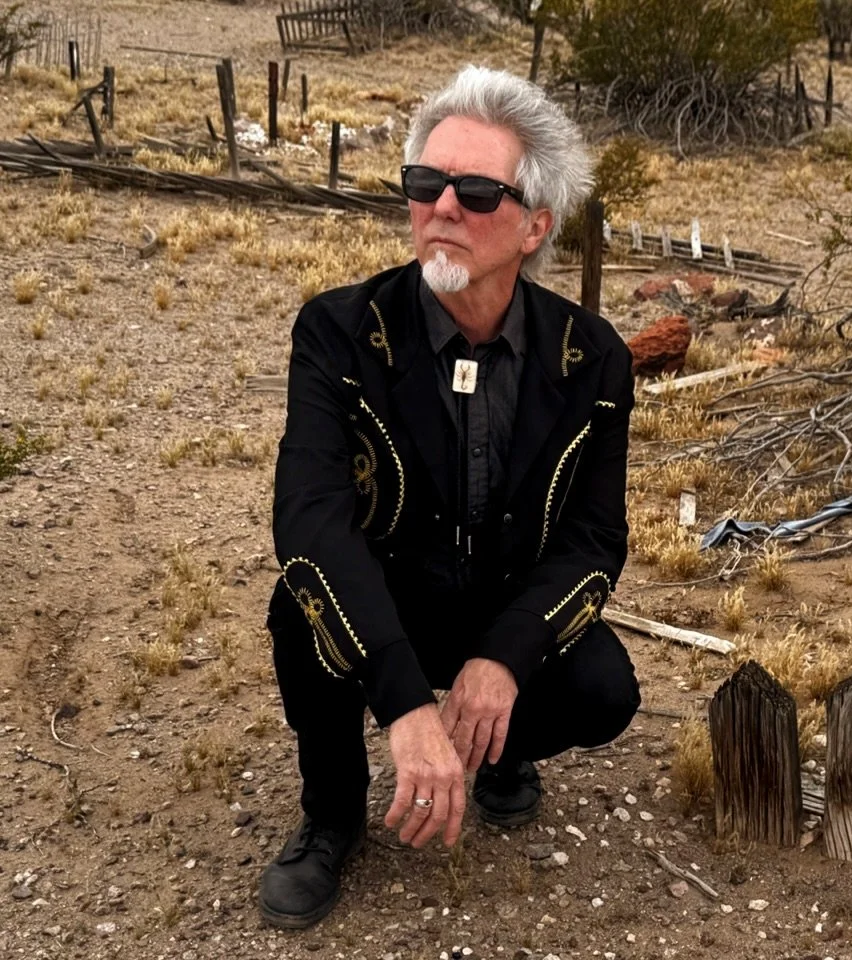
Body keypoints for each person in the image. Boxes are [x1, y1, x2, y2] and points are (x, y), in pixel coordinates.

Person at [259, 64, 641, 930]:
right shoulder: (338, 331)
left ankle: (497, 749)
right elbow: (310, 518)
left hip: (501, 605)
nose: (443, 208)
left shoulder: (594, 358)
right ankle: (333, 814)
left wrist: (504, 658)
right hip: (389, 599)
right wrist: (400, 702)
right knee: (300, 612)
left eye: (477, 191)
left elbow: (592, 540)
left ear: (536, 224)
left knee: (602, 687)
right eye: (426, 184)